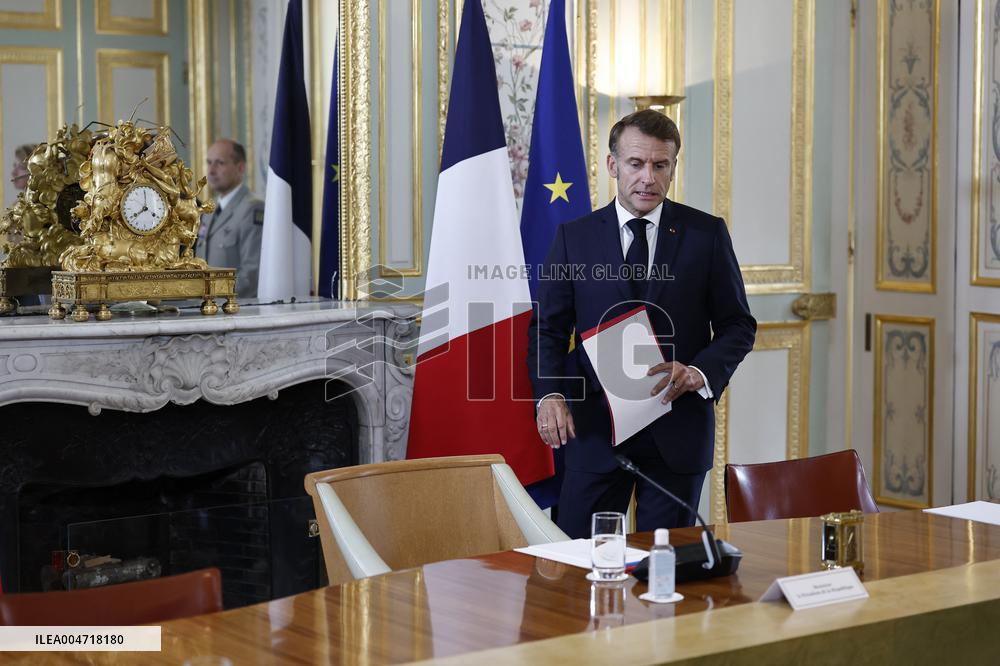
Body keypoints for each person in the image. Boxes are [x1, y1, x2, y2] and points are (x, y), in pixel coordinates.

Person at [527, 110, 757, 538]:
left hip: (678, 432)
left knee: (664, 576)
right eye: (636, 164)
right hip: (594, 432)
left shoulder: (705, 235)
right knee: (583, 572)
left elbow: (738, 325)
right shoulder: (573, 238)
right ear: (613, 165)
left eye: (660, 165)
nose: (647, 178)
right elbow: (548, 330)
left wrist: (700, 372)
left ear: (672, 167)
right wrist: (551, 394)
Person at [196, 139, 263, 298]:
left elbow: (251, 275)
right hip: (206, 309)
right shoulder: (209, 210)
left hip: (234, 311)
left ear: (240, 168)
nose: (211, 170)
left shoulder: (252, 208)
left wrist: (211, 296)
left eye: (219, 163)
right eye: (209, 162)